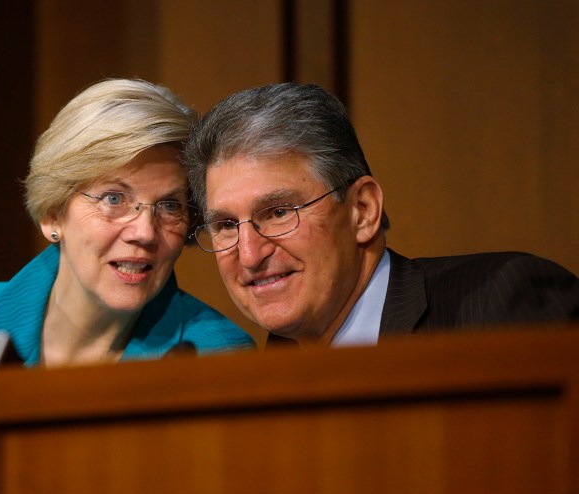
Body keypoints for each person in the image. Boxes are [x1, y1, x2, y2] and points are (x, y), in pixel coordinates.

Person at [183, 82, 579, 347]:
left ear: (363, 210)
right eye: (226, 225)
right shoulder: (258, 374)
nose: (250, 255)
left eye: (280, 212)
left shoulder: (500, 305)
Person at [0, 78, 254, 365]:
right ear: (53, 213)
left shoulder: (218, 354)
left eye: (169, 205)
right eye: (114, 199)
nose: (145, 232)